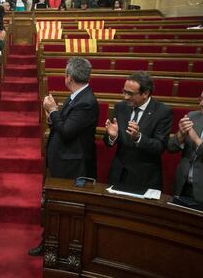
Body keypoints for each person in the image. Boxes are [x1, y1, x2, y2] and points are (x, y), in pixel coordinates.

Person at [29, 57, 99, 257]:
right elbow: (63, 126)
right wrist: (54, 116)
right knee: (53, 203)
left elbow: (67, 131)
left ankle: (59, 248)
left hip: (73, 164)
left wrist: (52, 111)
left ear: (69, 77)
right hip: (63, 159)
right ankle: (50, 243)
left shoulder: (86, 101)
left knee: (64, 207)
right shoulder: (76, 95)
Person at [104, 71, 173, 191]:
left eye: (130, 93)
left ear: (145, 93)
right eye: (124, 92)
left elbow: (159, 146)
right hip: (118, 175)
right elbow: (108, 141)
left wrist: (138, 138)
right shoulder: (120, 107)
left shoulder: (162, 112)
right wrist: (112, 137)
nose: (125, 97)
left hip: (145, 179)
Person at [168, 91, 203, 202]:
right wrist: (181, 135)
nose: (201, 103)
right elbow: (171, 147)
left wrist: (196, 139)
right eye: (201, 99)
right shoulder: (192, 116)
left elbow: (195, 140)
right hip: (182, 186)